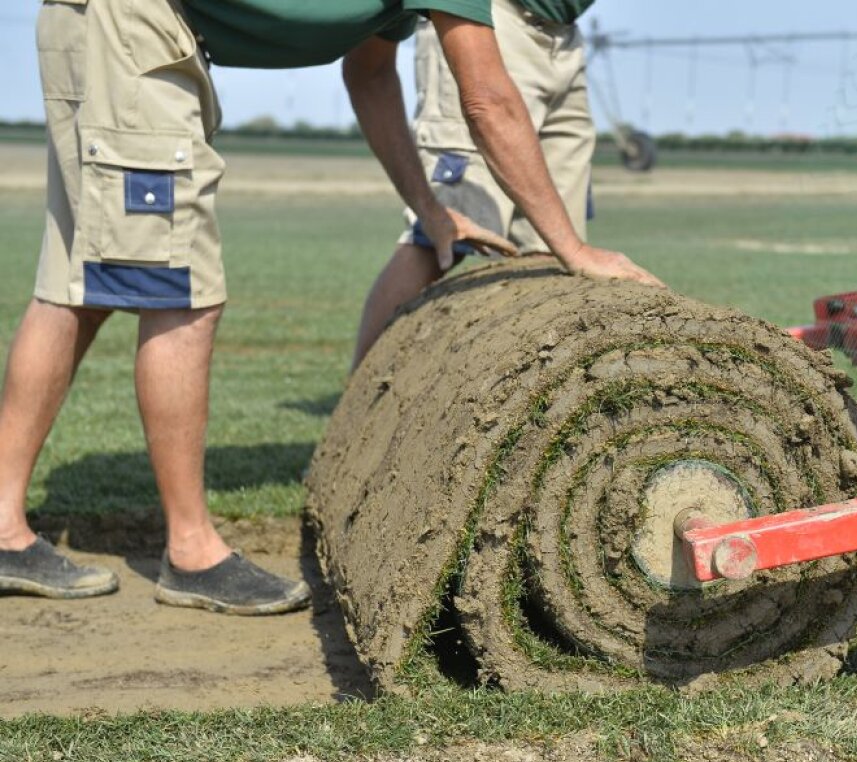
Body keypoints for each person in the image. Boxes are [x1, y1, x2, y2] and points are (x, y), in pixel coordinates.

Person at [0, 0, 658, 615]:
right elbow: (487, 100)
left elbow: (368, 74)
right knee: (182, 294)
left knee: (72, 289)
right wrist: (571, 248)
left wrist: (432, 210)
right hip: (132, 25)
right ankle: (191, 552)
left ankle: (3, 529)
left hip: (108, 26)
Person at [353, 0, 615, 366]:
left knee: (549, 252)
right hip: (485, 18)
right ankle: (361, 407)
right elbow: (365, 70)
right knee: (440, 239)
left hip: (564, 34)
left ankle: (532, 392)